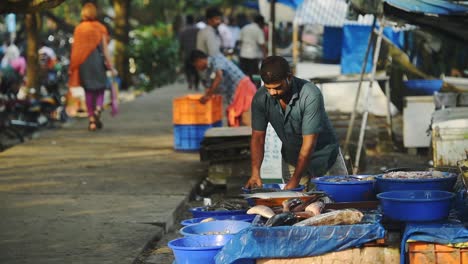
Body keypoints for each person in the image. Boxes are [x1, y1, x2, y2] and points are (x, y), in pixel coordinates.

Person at [244, 56, 348, 191]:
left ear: (289, 77)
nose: (273, 92)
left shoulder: (310, 94)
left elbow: (309, 144)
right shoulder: (261, 98)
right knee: (293, 208)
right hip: (292, 158)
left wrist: (295, 180)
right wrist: (255, 173)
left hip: (324, 159)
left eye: (277, 87)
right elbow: (258, 138)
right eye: (268, 88)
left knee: (335, 205)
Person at [68, 2, 114, 131]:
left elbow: (75, 50)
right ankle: (98, 108)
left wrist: (73, 67)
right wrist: (110, 66)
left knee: (88, 91)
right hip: (98, 62)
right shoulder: (100, 28)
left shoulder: (78, 29)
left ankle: (92, 120)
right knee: (100, 89)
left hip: (84, 64)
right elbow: (105, 50)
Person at [190, 49, 256, 127]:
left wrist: (208, 94)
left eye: (196, 65)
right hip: (233, 97)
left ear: (199, 60)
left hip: (244, 90)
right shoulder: (207, 73)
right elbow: (209, 89)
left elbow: (219, 76)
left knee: (247, 121)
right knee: (235, 123)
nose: (197, 69)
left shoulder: (216, 59)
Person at [238, 14, 267, 84]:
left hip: (243, 55)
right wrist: (265, 56)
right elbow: (262, 44)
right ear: (260, 22)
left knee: (244, 76)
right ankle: (252, 91)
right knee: (253, 77)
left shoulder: (244, 28)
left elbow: (240, 42)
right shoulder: (258, 30)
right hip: (253, 57)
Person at [179, 15, 200, 90]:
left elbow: (181, 44)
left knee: (188, 69)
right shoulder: (198, 30)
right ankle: (196, 85)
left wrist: (180, 54)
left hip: (187, 53)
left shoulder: (183, 31)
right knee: (196, 69)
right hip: (196, 53)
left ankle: (190, 82)